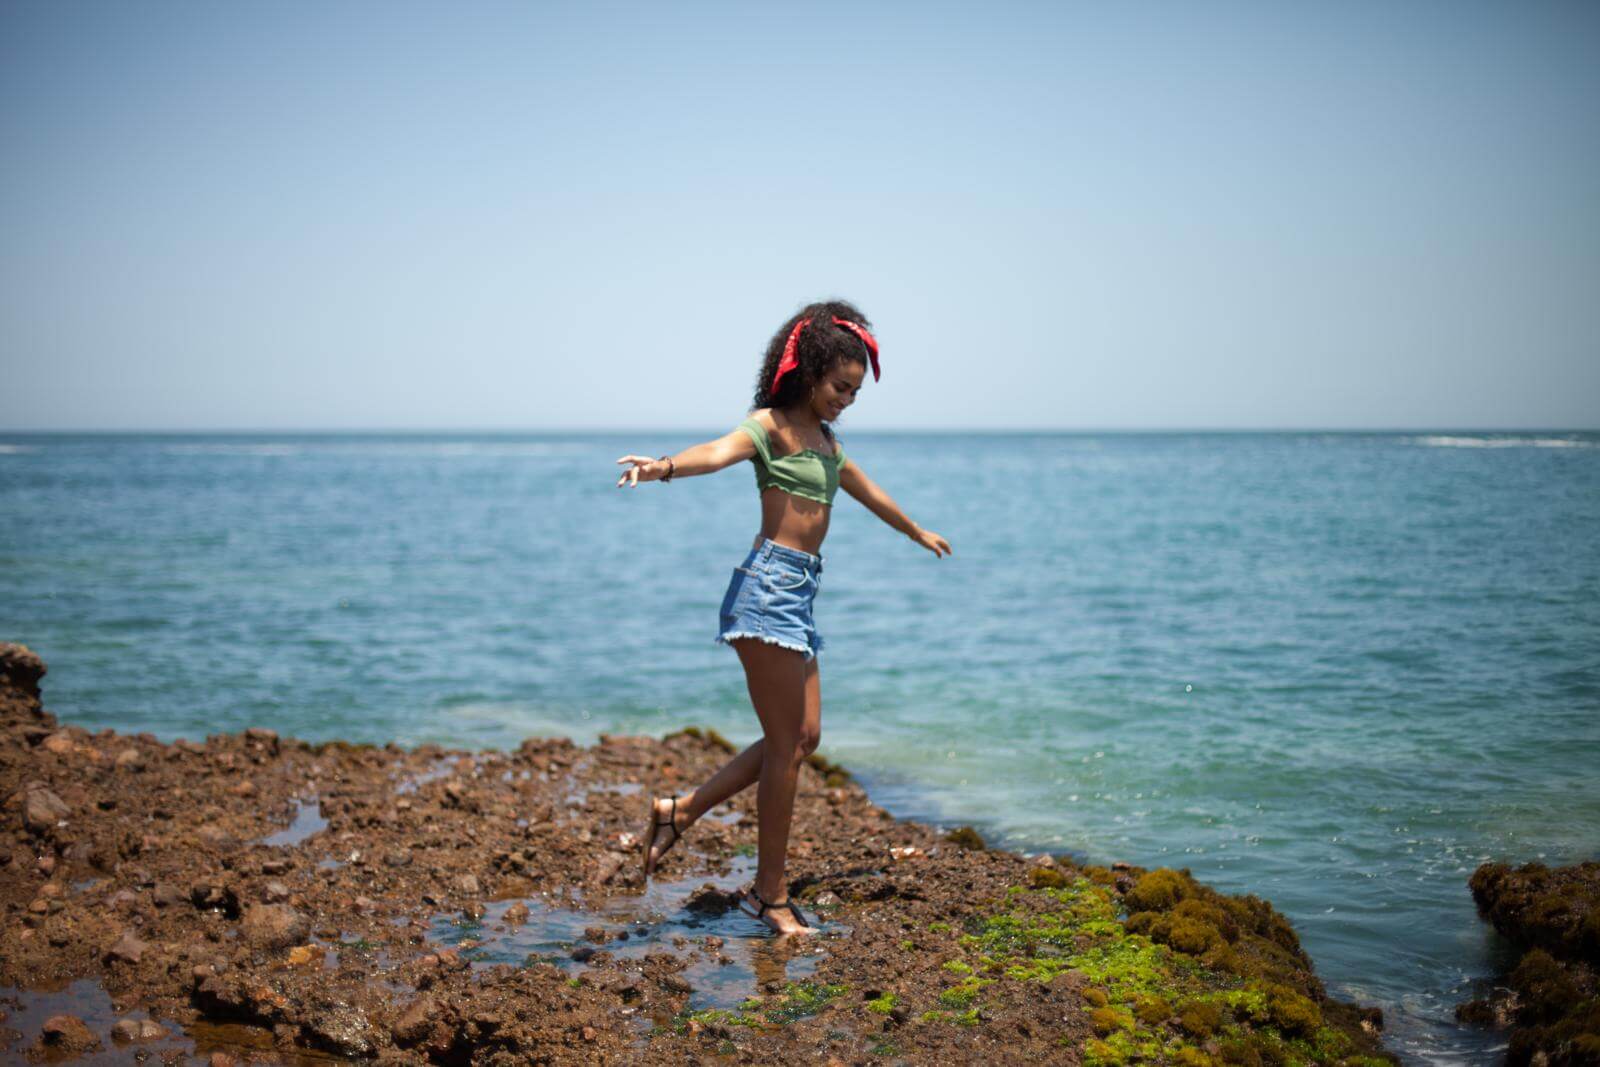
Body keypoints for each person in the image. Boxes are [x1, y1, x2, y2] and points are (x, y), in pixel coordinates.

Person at [614, 299, 952, 936]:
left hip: (799, 595)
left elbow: (868, 490)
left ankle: (679, 811)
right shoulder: (769, 427)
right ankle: (768, 897)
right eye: (838, 387)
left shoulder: (827, 443)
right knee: (786, 749)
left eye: (855, 391)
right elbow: (715, 453)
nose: (846, 399)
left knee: (799, 740)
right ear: (809, 373)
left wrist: (914, 531)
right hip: (766, 590)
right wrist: (661, 467)